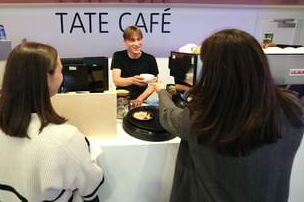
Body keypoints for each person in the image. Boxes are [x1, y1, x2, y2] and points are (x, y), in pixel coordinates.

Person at [153, 29, 304, 202]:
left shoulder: (205, 118)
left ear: (217, 72)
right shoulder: (293, 110)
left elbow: (169, 116)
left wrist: (162, 92)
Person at [0, 41, 104, 202]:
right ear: (47, 78)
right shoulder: (66, 138)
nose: (62, 75)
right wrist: (83, 147)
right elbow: (90, 187)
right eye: (61, 70)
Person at [111, 25, 159, 107]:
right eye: (132, 40)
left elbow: (154, 83)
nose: (137, 44)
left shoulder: (150, 59)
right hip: (121, 101)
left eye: (139, 39)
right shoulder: (118, 56)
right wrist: (132, 80)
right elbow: (116, 80)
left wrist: (139, 99)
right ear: (125, 42)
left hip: (141, 101)